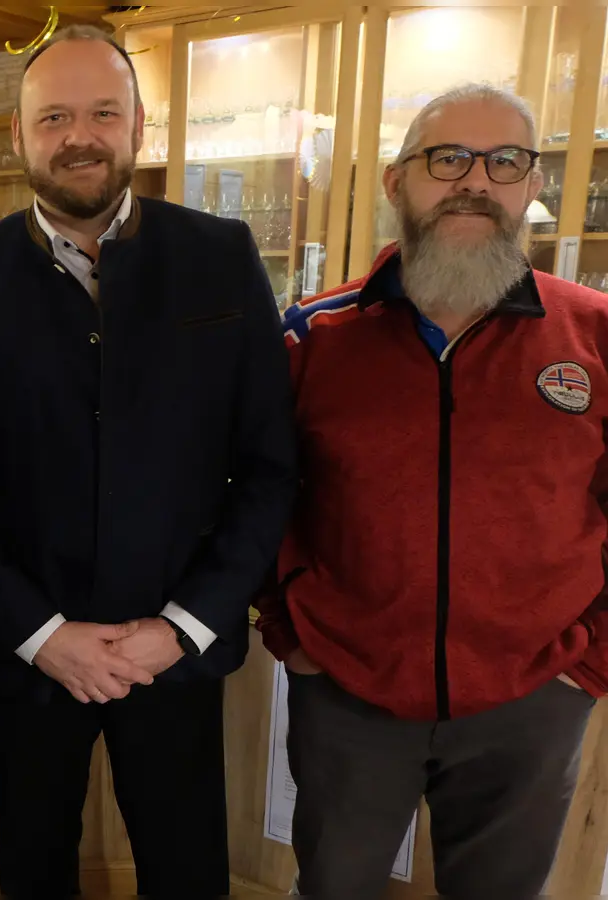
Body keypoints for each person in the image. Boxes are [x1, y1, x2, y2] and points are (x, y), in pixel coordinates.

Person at [0, 24, 298, 897]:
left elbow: (269, 467)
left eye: (101, 112)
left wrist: (181, 628)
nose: (77, 135)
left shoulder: (222, 257)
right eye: (52, 117)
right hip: (31, 654)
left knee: (186, 868)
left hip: (177, 649)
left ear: (138, 126)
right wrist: (43, 636)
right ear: (18, 134)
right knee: (33, 865)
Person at [259, 83, 608, 898]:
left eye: (505, 161)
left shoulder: (594, 336)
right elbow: (259, 499)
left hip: (532, 701)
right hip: (348, 697)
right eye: (447, 158)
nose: (475, 182)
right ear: (396, 181)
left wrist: (591, 662)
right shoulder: (315, 336)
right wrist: (292, 634)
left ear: (532, 185)